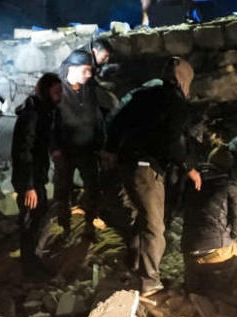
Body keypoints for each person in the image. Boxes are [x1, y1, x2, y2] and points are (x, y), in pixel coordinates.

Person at [104, 57, 201, 296]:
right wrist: (189, 167)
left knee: (141, 218)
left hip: (126, 164)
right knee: (155, 227)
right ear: (184, 79)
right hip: (147, 168)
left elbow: (117, 120)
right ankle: (150, 281)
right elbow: (172, 141)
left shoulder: (142, 94)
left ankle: (135, 268)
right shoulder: (175, 102)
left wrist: (111, 150)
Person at [11, 73, 62, 277]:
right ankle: (30, 267)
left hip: (36, 175)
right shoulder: (32, 115)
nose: (60, 95)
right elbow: (25, 151)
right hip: (29, 179)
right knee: (31, 220)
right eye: (56, 91)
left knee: (37, 217)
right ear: (46, 91)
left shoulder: (44, 112)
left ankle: (33, 261)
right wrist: (28, 186)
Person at [54, 50, 107, 241]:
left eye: (90, 71)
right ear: (72, 68)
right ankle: (64, 228)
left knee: (93, 188)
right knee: (63, 189)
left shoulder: (88, 90)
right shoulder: (57, 91)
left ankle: (89, 227)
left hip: (88, 151)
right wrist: (55, 149)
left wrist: (101, 145)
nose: (89, 75)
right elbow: (49, 122)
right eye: (85, 70)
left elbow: (98, 118)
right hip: (65, 152)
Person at [180, 146, 237, 294]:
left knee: (194, 275)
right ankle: (221, 289)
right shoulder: (231, 185)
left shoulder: (190, 180)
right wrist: (232, 239)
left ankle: (192, 288)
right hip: (215, 251)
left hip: (188, 248)